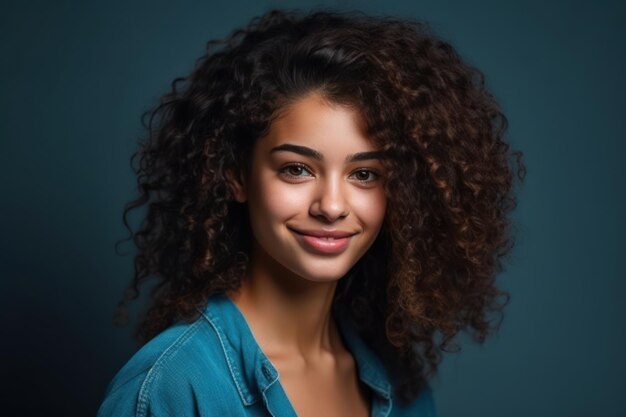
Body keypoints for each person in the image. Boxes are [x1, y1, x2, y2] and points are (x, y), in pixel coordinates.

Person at [97, 8, 525, 417]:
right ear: (236, 176)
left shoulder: (400, 383)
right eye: (297, 169)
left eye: (364, 174)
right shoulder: (171, 388)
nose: (332, 206)